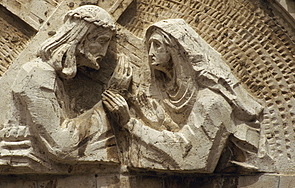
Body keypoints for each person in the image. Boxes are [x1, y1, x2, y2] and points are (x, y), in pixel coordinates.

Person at [104, 19, 263, 172]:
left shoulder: (213, 102)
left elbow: (190, 158)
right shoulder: (165, 97)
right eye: (149, 46)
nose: (150, 53)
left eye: (157, 45)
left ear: (176, 49)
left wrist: (130, 123)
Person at [0, 5, 119, 169]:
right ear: (80, 38)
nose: (104, 52)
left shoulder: (55, 77)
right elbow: (61, 146)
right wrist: (108, 105)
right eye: (102, 41)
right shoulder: (37, 74)